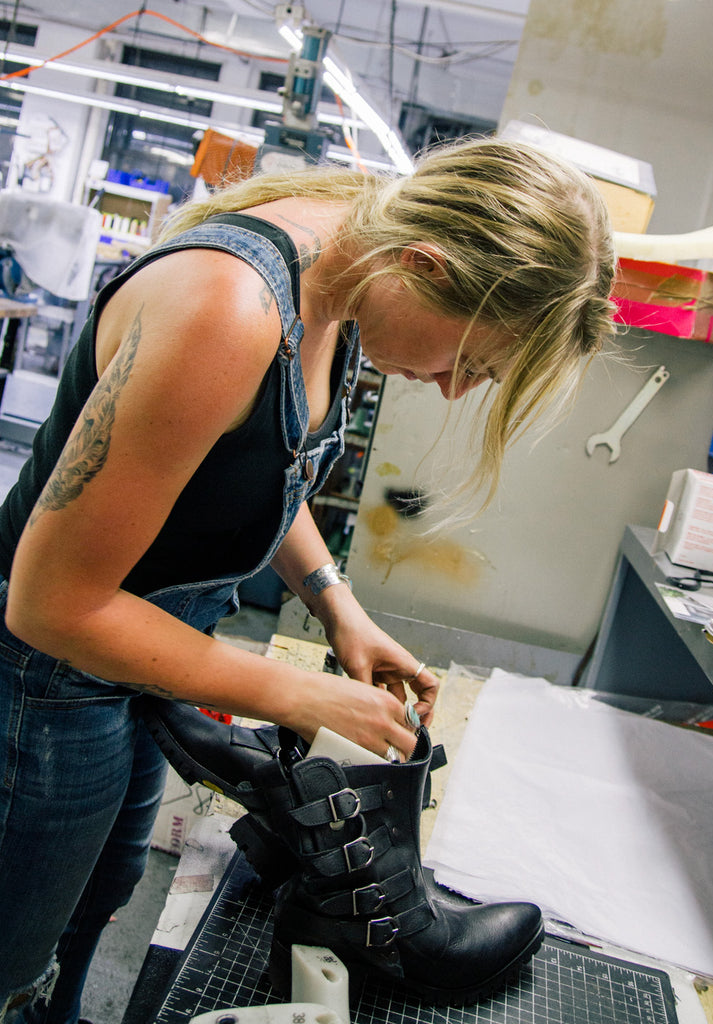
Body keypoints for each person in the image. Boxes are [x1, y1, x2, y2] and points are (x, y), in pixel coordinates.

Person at [0, 136, 616, 1021]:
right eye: (469, 363)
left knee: (95, 900)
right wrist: (302, 698)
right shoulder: (230, 309)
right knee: (14, 950)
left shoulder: (345, 274)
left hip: (136, 661)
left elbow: (244, 462)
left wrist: (336, 603)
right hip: (48, 677)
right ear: (423, 261)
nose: (449, 390)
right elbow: (53, 603)